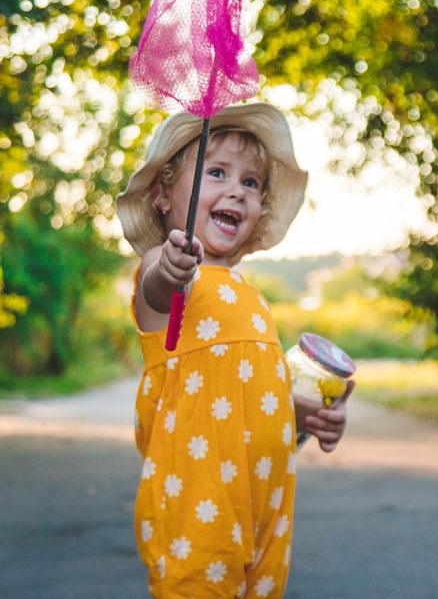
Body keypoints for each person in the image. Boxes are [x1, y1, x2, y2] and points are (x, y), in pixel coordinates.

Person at [117, 102, 354, 599]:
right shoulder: (166, 266)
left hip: (265, 500)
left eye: (251, 183)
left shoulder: (251, 294)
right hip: (196, 501)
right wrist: (173, 267)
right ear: (164, 195)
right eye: (217, 172)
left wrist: (309, 419)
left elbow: (259, 404)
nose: (236, 191)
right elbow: (157, 289)